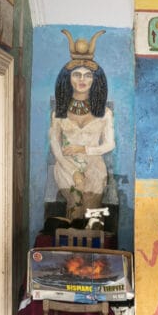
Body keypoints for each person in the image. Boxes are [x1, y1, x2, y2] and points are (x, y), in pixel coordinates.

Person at [48, 29, 115, 221]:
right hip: (66, 165)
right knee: (75, 209)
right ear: (68, 79)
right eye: (77, 74)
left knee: (90, 215)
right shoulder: (58, 113)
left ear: (96, 80)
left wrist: (83, 148)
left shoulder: (105, 113)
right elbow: (55, 145)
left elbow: (110, 145)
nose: (82, 80)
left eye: (88, 75)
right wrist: (73, 171)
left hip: (95, 165)